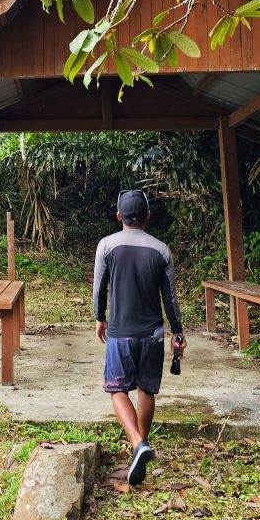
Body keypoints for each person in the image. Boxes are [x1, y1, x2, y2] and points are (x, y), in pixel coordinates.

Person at [93, 189, 185, 486]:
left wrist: (99, 318)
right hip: (154, 335)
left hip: (121, 333)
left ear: (119, 216)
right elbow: (170, 298)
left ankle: (137, 442)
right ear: (148, 215)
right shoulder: (161, 250)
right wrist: (178, 331)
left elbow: (99, 288)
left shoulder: (106, 246)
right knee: (146, 390)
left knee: (117, 390)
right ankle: (141, 445)